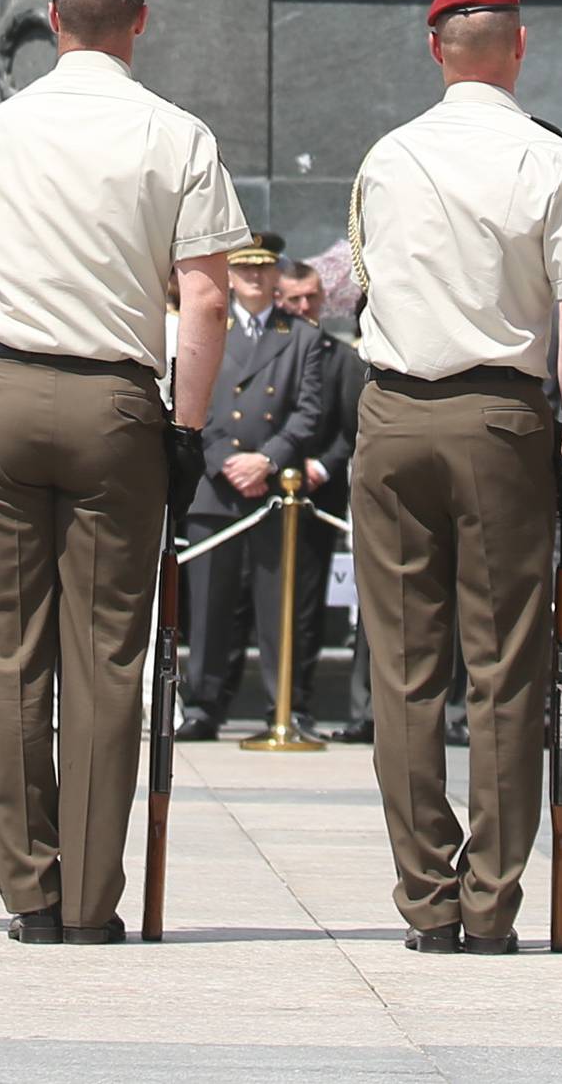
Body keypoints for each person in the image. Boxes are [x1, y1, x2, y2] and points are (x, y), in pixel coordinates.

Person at [0, 0, 244, 946]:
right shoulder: (179, 133)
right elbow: (204, 297)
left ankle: (28, 887)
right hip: (116, 397)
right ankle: (88, 900)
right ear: (141, 19)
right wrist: (189, 427)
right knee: (108, 658)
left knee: (3, 653)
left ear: (52, 15)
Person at [350, 0, 562, 954]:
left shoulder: (388, 156)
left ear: (434, 49)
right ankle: (493, 901)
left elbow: (367, 277)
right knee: (505, 668)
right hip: (502, 416)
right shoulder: (554, 160)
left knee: (404, 669)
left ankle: (428, 896)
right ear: (521, 44)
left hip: (395, 414)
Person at [176, 233, 326, 743]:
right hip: (216, 486)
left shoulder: (300, 336)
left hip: (273, 489)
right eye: (245, 269)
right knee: (209, 607)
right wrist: (223, 459)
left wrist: (267, 459)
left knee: (279, 607)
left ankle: (285, 703)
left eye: (263, 269)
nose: (254, 278)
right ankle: (203, 703)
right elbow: (189, 394)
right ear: (230, 273)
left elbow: (309, 411)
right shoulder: (206, 323)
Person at [277, 257, 367, 739]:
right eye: (294, 299)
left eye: (312, 297)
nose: (305, 306)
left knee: (306, 604)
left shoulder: (340, 357)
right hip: (259, 490)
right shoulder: (261, 350)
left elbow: (348, 426)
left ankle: (299, 703)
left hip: (316, 491)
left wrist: (321, 465)